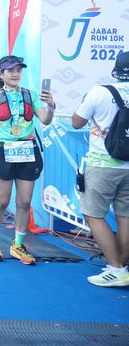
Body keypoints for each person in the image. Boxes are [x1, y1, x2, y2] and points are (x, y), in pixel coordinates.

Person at [0, 55, 55, 265]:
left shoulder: (30, 95)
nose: (15, 74)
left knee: (24, 202)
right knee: (1, 201)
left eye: (18, 70)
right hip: (1, 151)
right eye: (11, 70)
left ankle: (18, 245)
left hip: (27, 151)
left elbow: (45, 119)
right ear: (1, 74)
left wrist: (51, 106)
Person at [72, 51, 129, 287]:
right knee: (125, 216)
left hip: (103, 163)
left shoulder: (100, 92)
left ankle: (116, 268)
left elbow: (77, 122)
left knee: (93, 214)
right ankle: (121, 267)